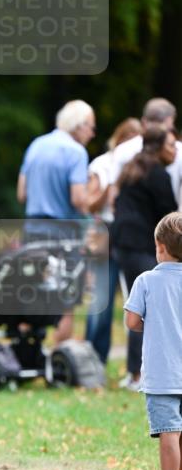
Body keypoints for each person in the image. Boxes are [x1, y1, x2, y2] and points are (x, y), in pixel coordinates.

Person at [16, 99, 93, 342]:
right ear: (79, 126)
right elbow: (78, 198)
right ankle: (59, 358)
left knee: (33, 292)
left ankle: (24, 354)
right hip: (64, 233)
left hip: (33, 229)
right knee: (65, 298)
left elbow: (21, 193)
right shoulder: (76, 152)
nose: (92, 133)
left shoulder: (36, 145)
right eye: (91, 127)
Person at [125, 212, 182, 470]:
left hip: (164, 374)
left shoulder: (146, 280)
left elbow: (133, 321)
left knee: (169, 433)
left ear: (160, 247)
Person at [113, 127, 178, 390]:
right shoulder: (158, 174)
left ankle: (133, 371)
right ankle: (140, 374)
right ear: (159, 147)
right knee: (147, 306)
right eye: (171, 145)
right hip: (143, 244)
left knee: (137, 301)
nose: (174, 150)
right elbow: (170, 219)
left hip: (122, 242)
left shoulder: (133, 167)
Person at [84, 118, 143, 363]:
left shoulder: (142, 167)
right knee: (101, 300)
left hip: (131, 232)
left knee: (136, 298)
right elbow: (90, 203)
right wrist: (110, 186)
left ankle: (136, 363)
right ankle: (94, 358)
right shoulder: (103, 164)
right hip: (105, 231)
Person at [109, 97, 182, 207]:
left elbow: (113, 192)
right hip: (166, 220)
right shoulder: (179, 149)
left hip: (128, 218)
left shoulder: (123, 149)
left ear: (143, 121)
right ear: (169, 121)